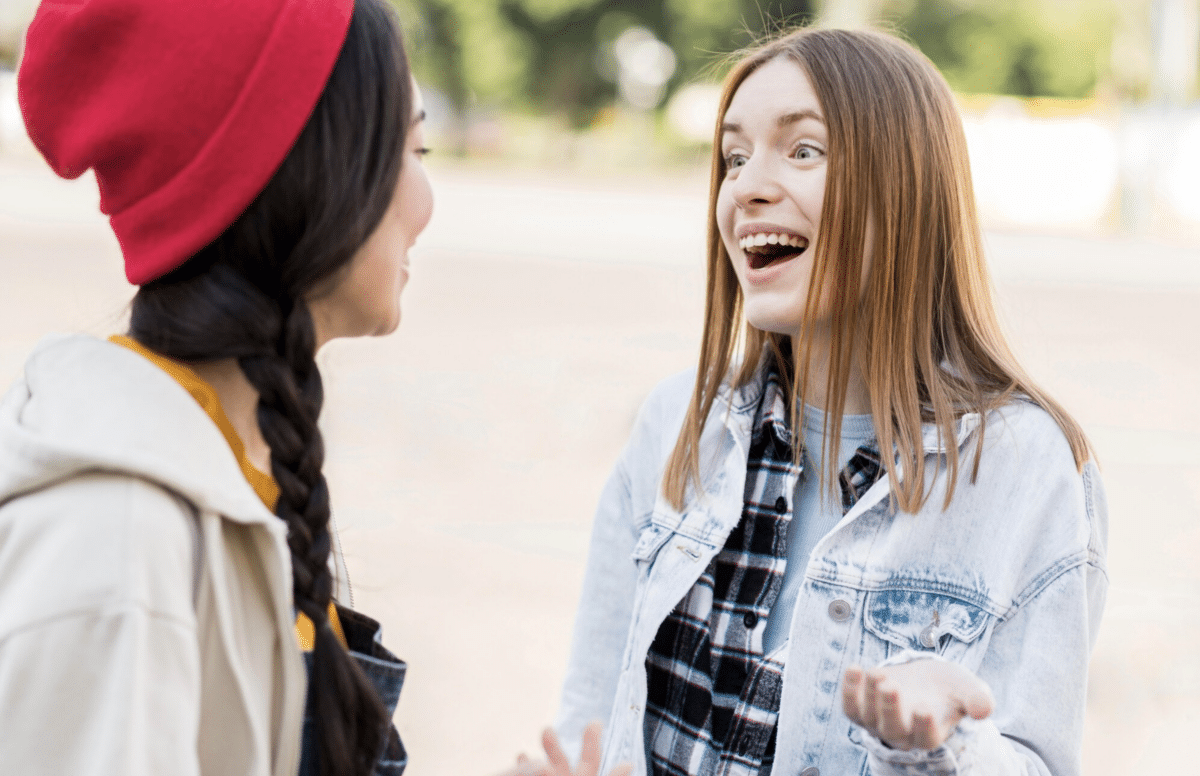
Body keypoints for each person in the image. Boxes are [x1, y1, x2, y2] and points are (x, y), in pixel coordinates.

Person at [1, 1, 622, 776]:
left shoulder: (219, 472)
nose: (427, 204)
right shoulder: (119, 545)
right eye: (412, 147)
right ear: (311, 173)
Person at [555, 27, 1108, 776]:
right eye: (735, 157)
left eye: (803, 150)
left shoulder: (1026, 470)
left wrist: (941, 748)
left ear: (905, 189)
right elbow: (589, 723)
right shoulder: (674, 423)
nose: (747, 187)